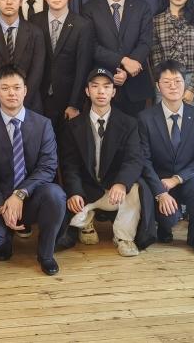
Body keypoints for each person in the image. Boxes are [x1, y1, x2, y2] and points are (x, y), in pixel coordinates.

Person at [0, 65, 66, 276]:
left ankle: (46, 254)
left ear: (25, 90)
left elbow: (48, 167)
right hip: (0, 199)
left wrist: (20, 193)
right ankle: (5, 237)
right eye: (5, 88)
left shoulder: (43, 125)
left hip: (32, 196)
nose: (11, 93)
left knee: (55, 194)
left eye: (16, 87)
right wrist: (1, 206)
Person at [56, 68, 143, 255]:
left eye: (106, 86)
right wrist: (74, 192)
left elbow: (134, 159)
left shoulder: (129, 123)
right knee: (67, 222)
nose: (101, 91)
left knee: (134, 188)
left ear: (114, 91)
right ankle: (86, 220)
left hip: (114, 190)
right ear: (87, 91)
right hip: (87, 190)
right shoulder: (73, 126)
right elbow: (69, 164)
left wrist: (121, 183)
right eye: (95, 86)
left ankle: (123, 237)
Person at [139, 61, 194, 257]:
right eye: (167, 81)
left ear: (184, 83)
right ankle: (164, 226)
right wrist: (160, 192)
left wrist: (178, 178)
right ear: (158, 86)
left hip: (187, 178)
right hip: (159, 180)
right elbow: (143, 160)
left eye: (177, 81)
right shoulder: (145, 119)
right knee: (169, 219)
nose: (173, 86)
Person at [82, 0, 154, 116]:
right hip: (103, 82)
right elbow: (91, 46)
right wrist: (124, 61)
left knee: (136, 135)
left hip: (136, 85)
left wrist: (127, 72)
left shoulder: (142, 7)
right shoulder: (89, 9)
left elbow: (146, 42)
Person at [31, 0, 93, 131]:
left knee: (67, 149)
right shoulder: (34, 21)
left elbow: (83, 67)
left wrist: (74, 103)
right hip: (40, 98)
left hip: (68, 98)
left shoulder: (82, 25)